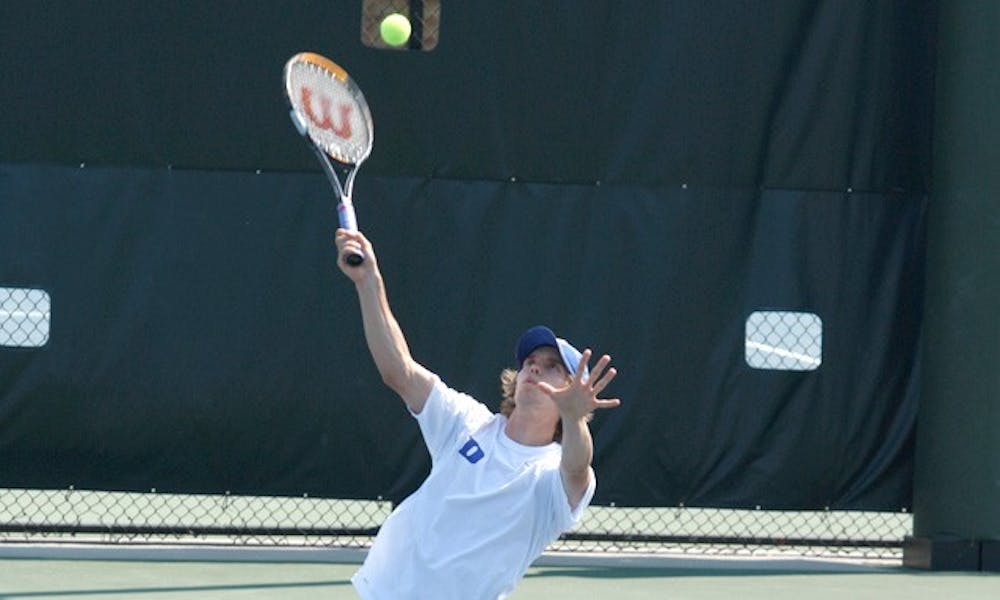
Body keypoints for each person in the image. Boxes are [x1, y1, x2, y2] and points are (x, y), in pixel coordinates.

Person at [335, 229, 621, 600]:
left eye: (552, 366)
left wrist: (575, 420)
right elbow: (399, 371)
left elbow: (577, 468)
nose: (534, 368)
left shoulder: (552, 477)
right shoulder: (466, 421)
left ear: (573, 392)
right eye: (530, 362)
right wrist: (368, 281)